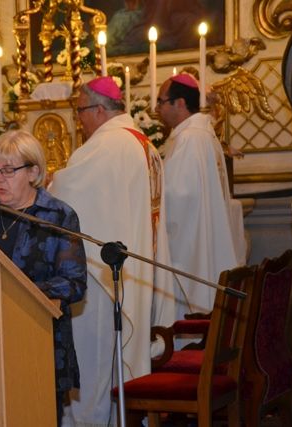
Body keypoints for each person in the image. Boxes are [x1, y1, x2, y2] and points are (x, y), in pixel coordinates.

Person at [50, 76, 175, 427]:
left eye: (80, 111)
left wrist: (46, 184)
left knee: (92, 362)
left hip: (100, 279)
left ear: (99, 110)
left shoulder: (107, 146)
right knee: (115, 359)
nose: (79, 121)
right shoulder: (143, 143)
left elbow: (64, 195)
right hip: (130, 271)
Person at [0, 130, 87, 425]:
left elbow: (74, 282)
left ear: (33, 172)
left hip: (37, 342)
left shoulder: (57, 216)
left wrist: (15, 291)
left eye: (8, 170)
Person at [156, 74, 238, 318]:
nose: (157, 108)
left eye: (161, 101)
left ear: (180, 103)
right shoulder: (204, 135)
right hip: (203, 233)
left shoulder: (190, 139)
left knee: (187, 305)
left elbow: (178, 195)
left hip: (190, 242)